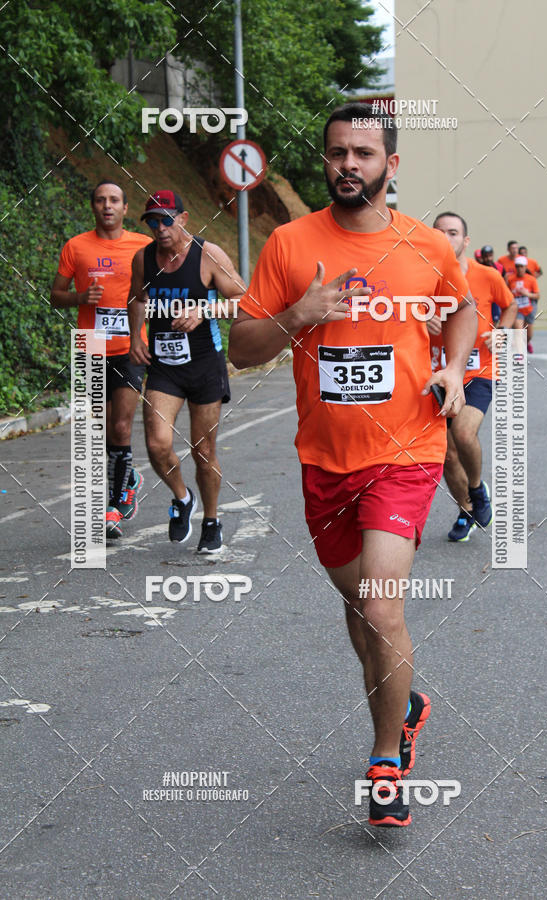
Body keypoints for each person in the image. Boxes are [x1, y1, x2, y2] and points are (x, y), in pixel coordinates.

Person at [229, 103, 477, 827]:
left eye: (363, 154)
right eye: (338, 152)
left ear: (390, 166)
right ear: (325, 160)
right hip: (325, 460)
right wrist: (296, 315)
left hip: (406, 449)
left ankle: (385, 762)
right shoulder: (290, 242)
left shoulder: (426, 244)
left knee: (379, 604)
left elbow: (463, 308)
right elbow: (241, 348)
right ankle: (405, 702)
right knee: (359, 610)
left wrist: (454, 367)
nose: (348, 165)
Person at [128, 191, 245, 551]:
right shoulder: (144, 258)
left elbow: (245, 301)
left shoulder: (208, 255)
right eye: (152, 221)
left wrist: (204, 311)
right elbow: (137, 299)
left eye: (166, 219)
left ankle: (211, 520)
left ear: (183, 219)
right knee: (156, 444)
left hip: (205, 364)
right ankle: (182, 498)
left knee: (203, 450)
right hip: (164, 366)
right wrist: (135, 336)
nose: (160, 228)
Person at [50, 180, 152, 538]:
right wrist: (79, 298)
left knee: (120, 427)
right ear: (93, 207)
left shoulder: (144, 245)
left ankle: (113, 506)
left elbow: (164, 286)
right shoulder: (76, 247)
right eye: (100, 200)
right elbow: (55, 296)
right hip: (89, 345)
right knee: (95, 430)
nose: (107, 205)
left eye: (114, 200)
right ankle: (128, 477)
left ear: (125, 208)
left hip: (130, 346)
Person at [429, 213, 517, 542]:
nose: (445, 237)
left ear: (465, 241)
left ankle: (478, 490)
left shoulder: (487, 275)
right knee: (447, 454)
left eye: (452, 232)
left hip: (478, 370)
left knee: (464, 434)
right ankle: (465, 511)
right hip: (436, 373)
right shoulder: (421, 275)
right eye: (439, 232)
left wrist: (501, 331)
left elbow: (510, 306)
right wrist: (420, 320)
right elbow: (400, 315)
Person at [508, 256, 539, 347]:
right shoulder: (510, 279)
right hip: (517, 310)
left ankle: (524, 345)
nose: (519, 269)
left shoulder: (531, 279)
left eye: (521, 266)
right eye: (517, 266)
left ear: (525, 267)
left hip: (529, 309)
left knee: (529, 336)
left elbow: (537, 295)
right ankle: (519, 352)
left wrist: (527, 294)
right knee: (518, 331)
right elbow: (507, 293)